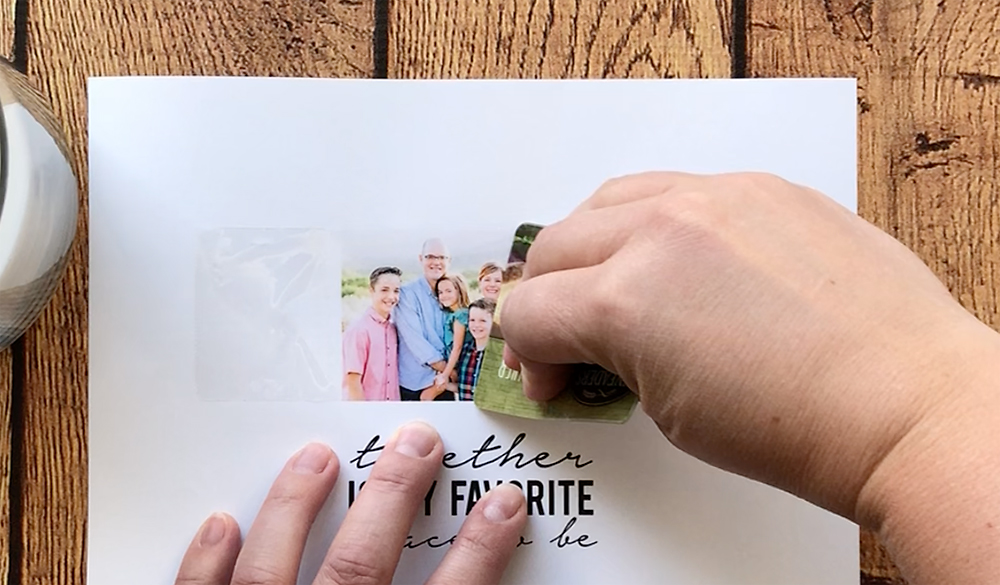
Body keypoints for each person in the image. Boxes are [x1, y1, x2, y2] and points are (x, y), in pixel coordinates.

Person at [175, 172, 1000, 585]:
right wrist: (923, 408)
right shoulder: (376, 322)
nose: (419, 281)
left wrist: (920, 421)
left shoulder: (457, 313)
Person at [394, 238, 450, 401]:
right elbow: (417, 343)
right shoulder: (407, 294)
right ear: (421, 259)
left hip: (443, 384)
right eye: (430, 257)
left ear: (449, 261)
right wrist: (451, 372)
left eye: (441, 258)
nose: (436, 262)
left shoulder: (450, 292)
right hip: (416, 385)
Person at [341, 266, 402, 402]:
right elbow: (353, 380)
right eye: (384, 290)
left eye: (396, 291)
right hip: (367, 410)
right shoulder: (359, 330)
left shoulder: (393, 329)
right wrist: (363, 414)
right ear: (371, 291)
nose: (391, 297)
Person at [421, 274, 471, 401]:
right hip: (454, 367)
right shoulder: (450, 314)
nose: (444, 295)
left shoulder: (461, 315)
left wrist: (445, 374)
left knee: (426, 397)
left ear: (459, 291)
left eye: (448, 291)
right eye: (440, 292)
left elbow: (457, 347)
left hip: (462, 365)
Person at [456, 298, 496, 400]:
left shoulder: (499, 354)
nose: (476, 325)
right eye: (472, 320)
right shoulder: (464, 351)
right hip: (466, 412)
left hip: (490, 413)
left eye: (482, 321)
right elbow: (463, 385)